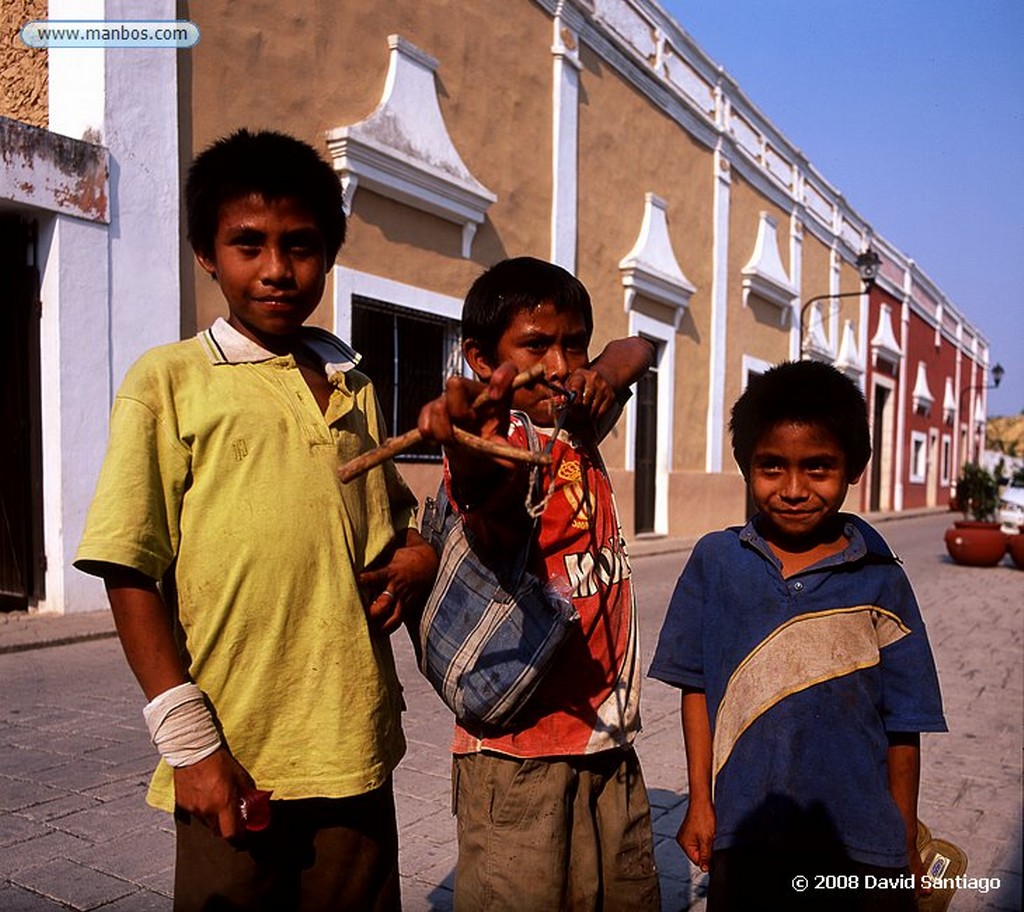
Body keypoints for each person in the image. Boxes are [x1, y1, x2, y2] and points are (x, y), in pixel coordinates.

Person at [74, 129, 438, 912]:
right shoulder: (170, 382)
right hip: (235, 754)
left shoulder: (353, 381)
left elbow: (392, 521)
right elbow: (126, 564)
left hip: (354, 748)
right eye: (248, 244)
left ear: (330, 253)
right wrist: (189, 743)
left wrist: (417, 557)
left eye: (301, 246)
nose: (277, 269)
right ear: (207, 253)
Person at [648, 360, 947, 911]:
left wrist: (903, 841)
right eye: (771, 466)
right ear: (745, 465)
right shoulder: (716, 562)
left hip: (859, 841)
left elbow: (905, 725)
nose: (792, 489)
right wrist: (701, 802)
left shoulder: (881, 576)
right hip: (745, 830)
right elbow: (697, 688)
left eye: (817, 467)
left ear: (855, 467)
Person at [416, 256, 662, 911]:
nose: (559, 365)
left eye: (573, 342)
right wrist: (470, 449)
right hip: (519, 758)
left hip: (607, 743)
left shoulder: (577, 424)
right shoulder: (499, 442)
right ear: (477, 357)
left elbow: (639, 345)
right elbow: (488, 510)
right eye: (535, 346)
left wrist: (604, 373)